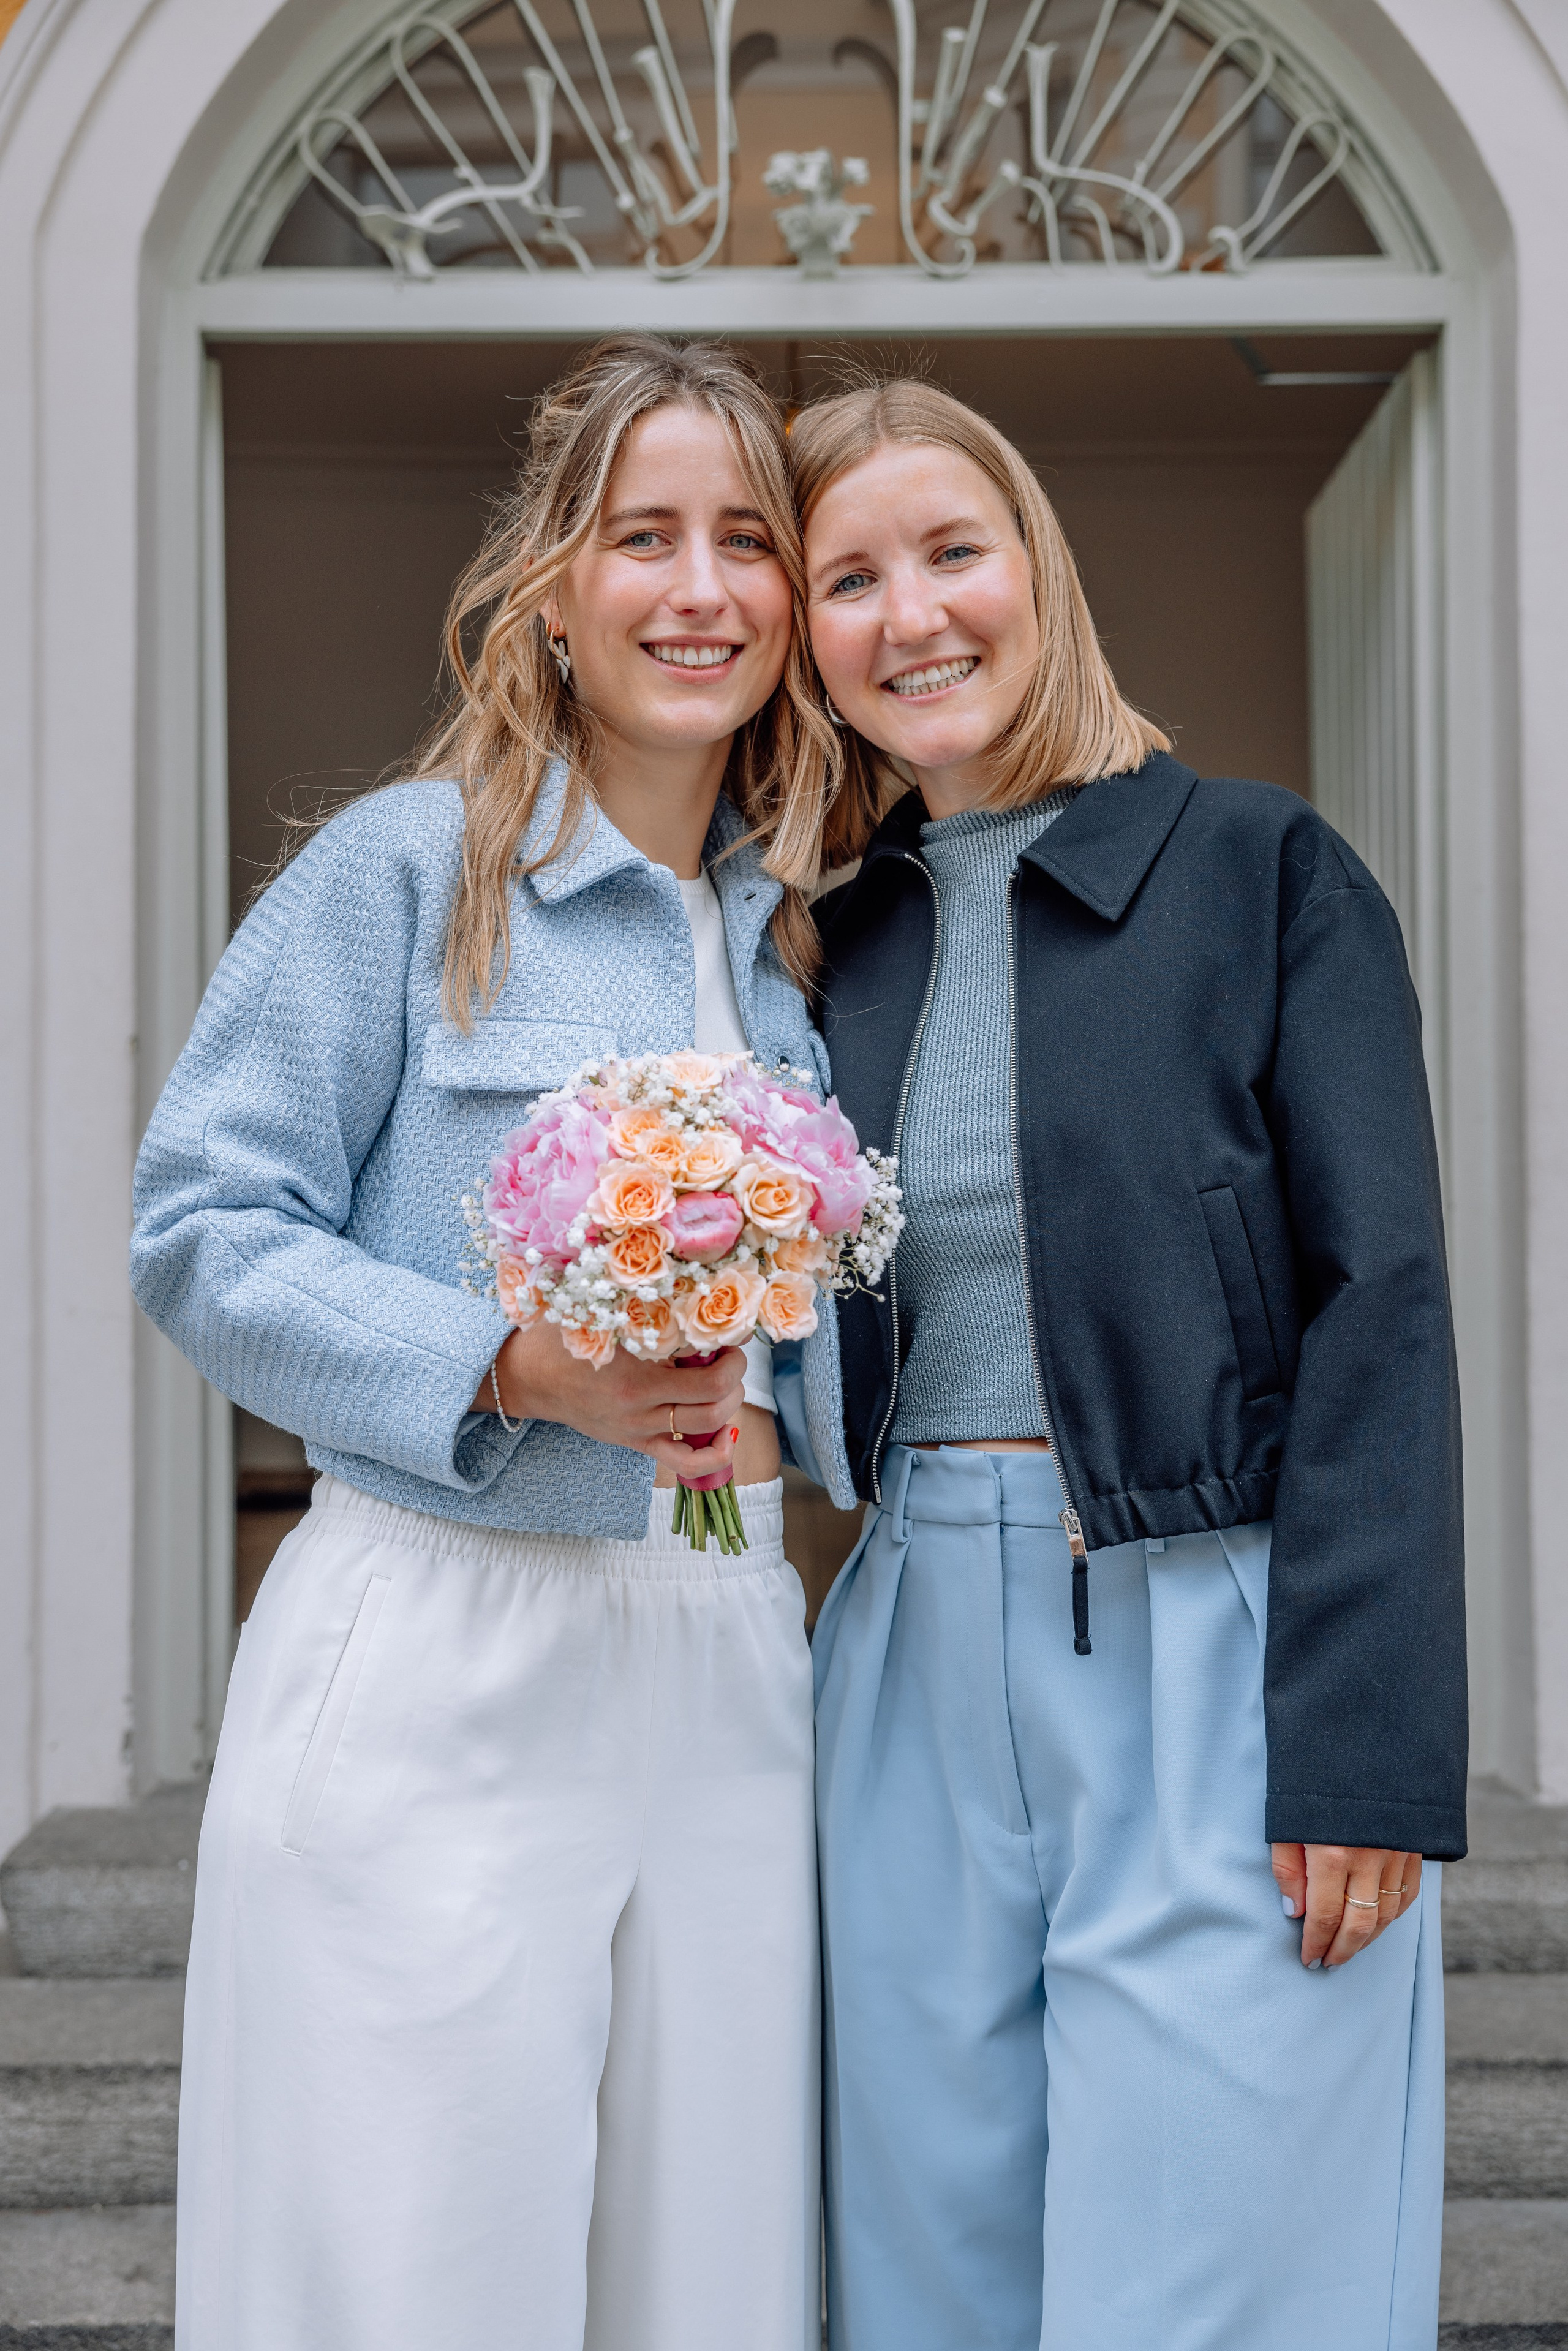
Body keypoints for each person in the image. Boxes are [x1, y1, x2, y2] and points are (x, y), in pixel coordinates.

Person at [129, 335, 854, 2351]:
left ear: (793, 604)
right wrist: (505, 1366)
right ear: (552, 581)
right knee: (415, 2274)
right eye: (645, 536)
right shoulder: (402, 872)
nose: (698, 588)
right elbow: (198, 1228)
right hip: (440, 1647)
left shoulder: (791, 933)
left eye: (746, 542)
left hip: (721, 1652)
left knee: (708, 2283)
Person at [791, 379, 1464, 2351]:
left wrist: (1366, 1748)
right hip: (908, 1640)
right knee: (925, 2271)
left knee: (1223, 2276)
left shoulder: (1264, 874)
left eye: (951, 552)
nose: (911, 612)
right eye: (850, 576)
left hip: (1209, 1647)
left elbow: (1384, 1305)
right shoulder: (825, 944)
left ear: (1038, 572)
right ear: (812, 642)